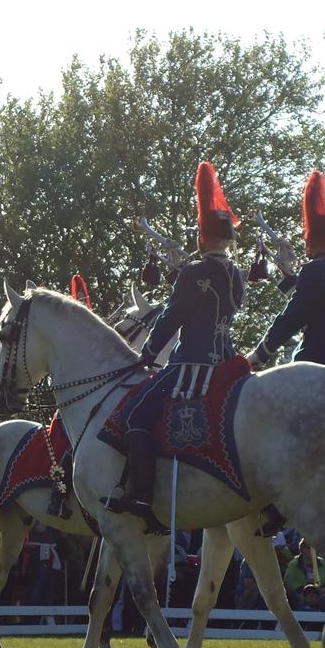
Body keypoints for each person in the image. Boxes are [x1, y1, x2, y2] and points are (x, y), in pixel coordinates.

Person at [103, 161, 245, 524]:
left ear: (201, 237)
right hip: (227, 362)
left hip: (190, 368)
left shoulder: (196, 271)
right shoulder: (237, 275)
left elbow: (172, 317)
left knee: (136, 417)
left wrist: (147, 353)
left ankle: (140, 496)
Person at [247, 170, 325, 370]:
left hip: (315, 363)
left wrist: (260, 353)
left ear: (312, 239)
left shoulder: (315, 269)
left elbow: (293, 317)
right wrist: (289, 280)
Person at [282, 538, 325, 606]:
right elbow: (288, 581)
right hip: (300, 593)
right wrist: (303, 590)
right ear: (303, 550)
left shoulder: (323, 563)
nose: (314, 550)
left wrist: (324, 588)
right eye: (310, 548)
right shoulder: (293, 564)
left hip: (319, 593)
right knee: (297, 598)